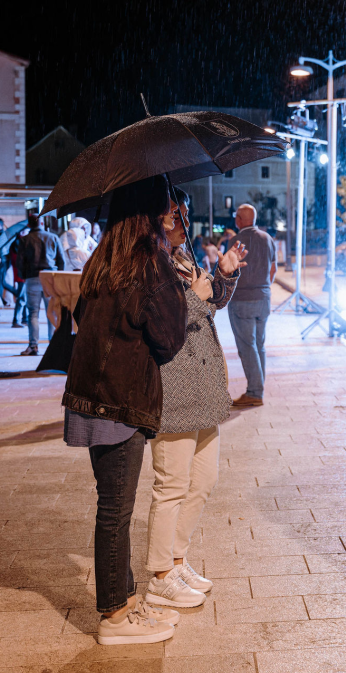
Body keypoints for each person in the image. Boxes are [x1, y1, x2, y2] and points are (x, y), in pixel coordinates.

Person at [62, 175, 189, 645]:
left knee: (112, 506)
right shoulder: (150, 265)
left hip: (91, 399)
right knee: (115, 511)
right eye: (166, 212)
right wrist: (178, 280)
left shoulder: (103, 260)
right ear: (151, 216)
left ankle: (128, 602)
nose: (171, 219)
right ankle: (114, 617)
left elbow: (86, 319)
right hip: (121, 400)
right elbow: (169, 339)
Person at [145, 188, 246, 609]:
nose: (182, 221)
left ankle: (177, 557)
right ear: (158, 218)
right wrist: (196, 297)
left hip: (203, 382)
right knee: (171, 484)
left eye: (183, 213)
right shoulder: (148, 263)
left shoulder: (183, 257)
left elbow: (212, 303)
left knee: (203, 480)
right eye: (175, 214)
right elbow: (157, 322)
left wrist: (224, 274)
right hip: (174, 384)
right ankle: (160, 575)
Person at [228, 204, 276, 408]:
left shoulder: (235, 241)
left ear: (238, 219)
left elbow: (228, 270)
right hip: (263, 298)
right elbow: (273, 269)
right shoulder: (267, 238)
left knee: (247, 347)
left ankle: (255, 392)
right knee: (259, 346)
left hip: (242, 300)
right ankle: (258, 389)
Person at [15, 212, 69, 356]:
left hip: (32, 278)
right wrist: (59, 277)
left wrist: (24, 276)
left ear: (29, 224)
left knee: (32, 313)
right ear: (42, 223)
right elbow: (61, 260)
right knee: (51, 312)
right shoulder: (53, 237)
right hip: (50, 278)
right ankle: (53, 345)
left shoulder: (25, 240)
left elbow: (20, 262)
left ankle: (33, 346)